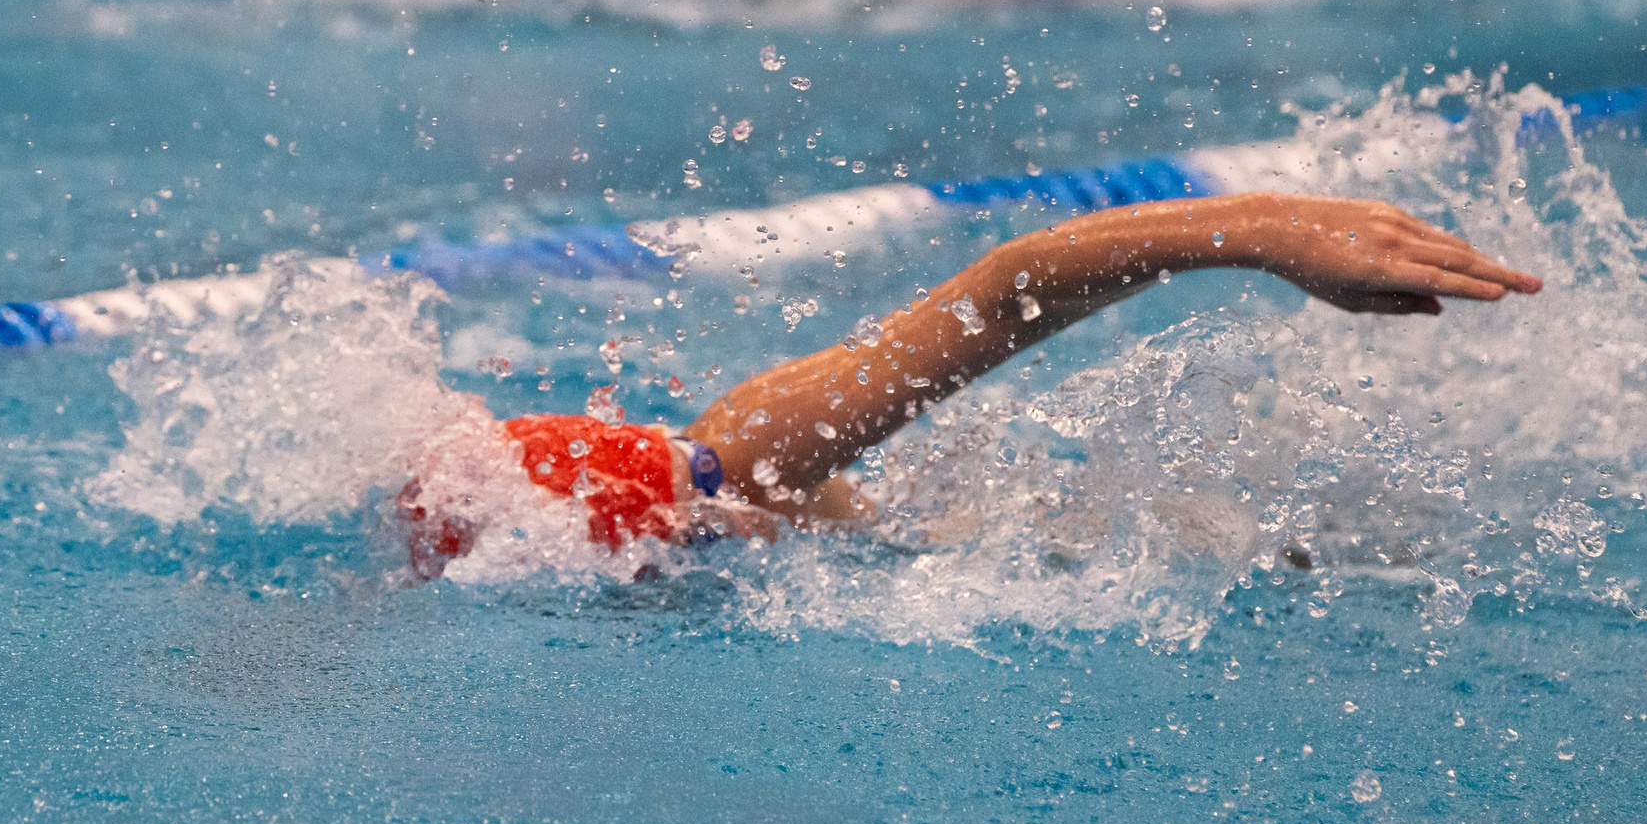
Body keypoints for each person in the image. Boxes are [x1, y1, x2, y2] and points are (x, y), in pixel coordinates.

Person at [399, 192, 1541, 574]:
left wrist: (1254, 229)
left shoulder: (750, 455)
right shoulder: (731, 504)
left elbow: (1006, 284)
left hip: (1250, 539)